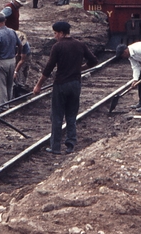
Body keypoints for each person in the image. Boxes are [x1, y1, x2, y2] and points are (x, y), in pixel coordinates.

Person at [33, 21, 98, 155]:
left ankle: (55, 147)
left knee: (57, 116)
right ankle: (70, 145)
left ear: (62, 33)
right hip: (75, 84)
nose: (55, 36)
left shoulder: (58, 47)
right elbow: (93, 61)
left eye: (56, 33)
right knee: (71, 115)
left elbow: (48, 68)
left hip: (61, 84)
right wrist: (80, 68)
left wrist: (39, 85)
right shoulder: (80, 45)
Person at [0, 13, 21, 105]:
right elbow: (20, 44)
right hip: (12, 60)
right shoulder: (12, 31)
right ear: (5, 21)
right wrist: (18, 54)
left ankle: (3, 105)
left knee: (1, 85)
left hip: (1, 61)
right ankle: (10, 101)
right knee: (10, 83)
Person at [13, 30, 31, 96]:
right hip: (15, 54)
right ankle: (14, 85)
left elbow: (22, 60)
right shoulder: (11, 42)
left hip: (25, 56)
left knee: (22, 71)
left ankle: (20, 86)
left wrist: (15, 72)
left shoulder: (25, 46)